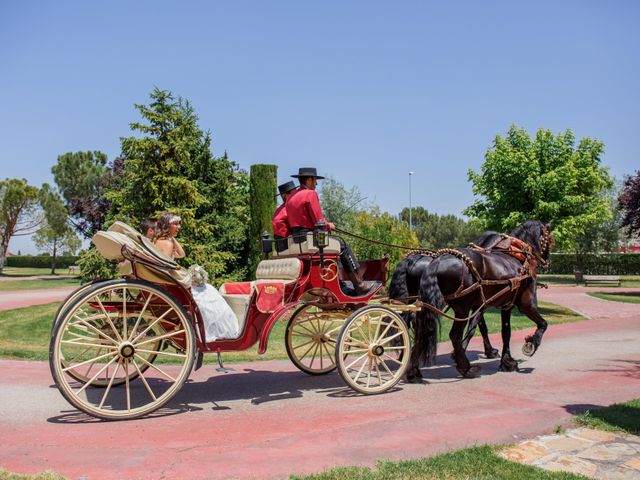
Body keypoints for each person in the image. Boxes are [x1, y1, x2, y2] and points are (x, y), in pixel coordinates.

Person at [286, 167, 372, 295]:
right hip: (310, 238)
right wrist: (328, 225)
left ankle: (340, 282)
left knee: (335, 245)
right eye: (315, 180)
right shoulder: (310, 194)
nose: (316, 183)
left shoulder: (291, 198)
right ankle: (358, 284)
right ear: (309, 180)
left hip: (297, 239)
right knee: (342, 245)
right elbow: (318, 219)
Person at [272, 181, 298, 252]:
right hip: (285, 242)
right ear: (286, 195)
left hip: (278, 241)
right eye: (294, 193)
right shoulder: (289, 207)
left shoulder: (278, 209)